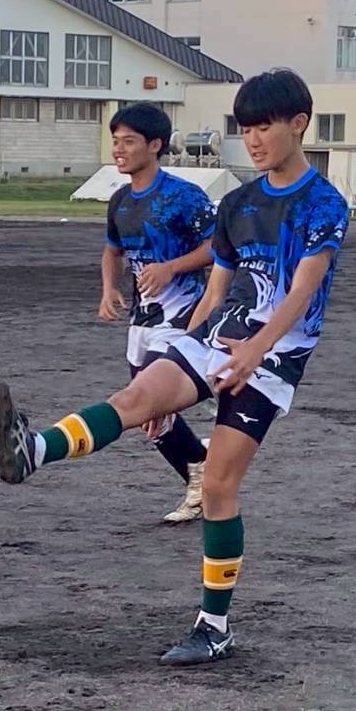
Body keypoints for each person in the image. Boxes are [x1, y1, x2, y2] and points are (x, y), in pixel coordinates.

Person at [0, 70, 350, 665]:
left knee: (220, 487)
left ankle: (214, 627)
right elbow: (218, 287)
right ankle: (33, 451)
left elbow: (304, 287)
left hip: (275, 356)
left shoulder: (323, 203)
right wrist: (179, 353)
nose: (253, 140)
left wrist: (256, 351)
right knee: (135, 399)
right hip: (216, 336)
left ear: (299, 124)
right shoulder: (238, 203)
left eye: (264, 127)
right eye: (245, 129)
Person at [100, 103, 217, 523]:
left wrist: (171, 268)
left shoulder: (184, 197)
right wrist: (108, 289)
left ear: (155, 145)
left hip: (183, 315)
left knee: (149, 403)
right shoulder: (119, 201)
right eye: (115, 141)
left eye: (128, 141)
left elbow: (219, 248)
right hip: (142, 320)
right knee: (151, 413)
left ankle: (206, 478)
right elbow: (112, 251)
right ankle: (202, 477)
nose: (119, 149)